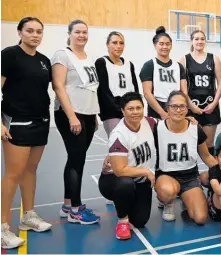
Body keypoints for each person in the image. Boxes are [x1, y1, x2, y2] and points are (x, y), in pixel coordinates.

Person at [1, 17, 52, 249]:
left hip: (41, 122)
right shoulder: (9, 55)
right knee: (13, 174)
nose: (35, 35)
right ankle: (2, 227)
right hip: (17, 123)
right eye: (30, 31)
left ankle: (28, 216)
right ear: (20, 32)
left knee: (31, 170)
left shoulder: (44, 61)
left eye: (39, 31)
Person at [52, 19, 100, 224]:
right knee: (77, 160)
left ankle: (67, 204)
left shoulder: (88, 57)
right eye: (77, 32)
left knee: (74, 158)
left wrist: (94, 115)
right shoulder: (62, 55)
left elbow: (90, 89)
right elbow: (58, 86)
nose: (81, 35)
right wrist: (72, 116)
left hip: (88, 114)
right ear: (70, 33)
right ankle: (76, 210)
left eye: (85, 32)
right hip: (70, 114)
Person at [98, 92, 156, 240]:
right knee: (125, 184)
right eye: (130, 109)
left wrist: (189, 119)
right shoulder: (119, 134)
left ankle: (127, 203)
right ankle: (122, 220)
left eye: (139, 108)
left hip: (139, 178)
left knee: (140, 221)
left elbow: (170, 124)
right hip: (113, 180)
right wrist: (147, 172)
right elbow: (119, 170)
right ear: (123, 111)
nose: (135, 112)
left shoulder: (150, 122)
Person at [154, 90, 217, 224]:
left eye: (182, 106)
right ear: (167, 108)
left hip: (189, 177)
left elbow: (206, 156)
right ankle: (168, 203)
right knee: (168, 191)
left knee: (200, 219)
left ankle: (186, 198)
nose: (178, 110)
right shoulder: (157, 128)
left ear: (187, 109)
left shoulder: (195, 128)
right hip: (166, 176)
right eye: (174, 106)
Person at [140, 26, 201, 120]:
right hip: (156, 109)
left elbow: (184, 92)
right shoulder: (149, 65)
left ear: (171, 45)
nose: (165, 47)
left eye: (168, 44)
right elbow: (147, 93)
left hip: (176, 107)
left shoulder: (179, 66)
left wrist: (191, 106)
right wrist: (162, 113)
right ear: (155, 45)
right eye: (161, 44)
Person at [179, 30, 221, 156]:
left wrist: (215, 103)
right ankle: (191, 174)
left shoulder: (214, 58)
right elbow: (181, 87)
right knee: (189, 143)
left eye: (202, 39)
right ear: (192, 41)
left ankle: (212, 174)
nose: (199, 41)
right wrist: (190, 105)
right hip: (191, 106)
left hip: (210, 106)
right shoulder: (184, 59)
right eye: (196, 39)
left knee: (209, 144)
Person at [95, 31, 139, 136]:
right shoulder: (101, 63)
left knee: (133, 144)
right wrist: (120, 108)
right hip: (112, 112)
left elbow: (135, 89)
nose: (118, 46)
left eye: (121, 43)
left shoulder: (129, 64)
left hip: (130, 110)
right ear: (107, 45)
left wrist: (135, 106)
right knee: (118, 143)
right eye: (114, 43)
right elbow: (103, 90)